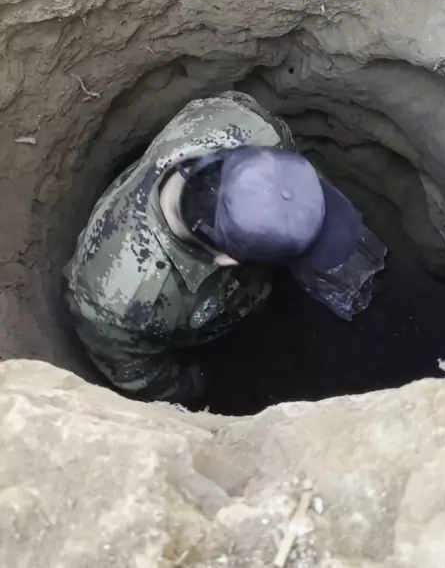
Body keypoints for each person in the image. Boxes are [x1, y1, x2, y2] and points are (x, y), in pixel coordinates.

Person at [64, 91, 386, 404]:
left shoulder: (243, 124)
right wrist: (212, 385)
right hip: (213, 343)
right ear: (227, 259)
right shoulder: (114, 304)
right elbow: (148, 381)